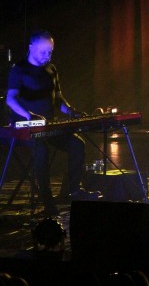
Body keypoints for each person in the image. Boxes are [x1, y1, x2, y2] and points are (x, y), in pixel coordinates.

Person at [5, 30, 101, 217]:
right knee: (41, 150)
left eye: (50, 52)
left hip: (49, 125)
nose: (47, 56)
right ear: (31, 48)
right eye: (43, 52)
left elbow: (58, 99)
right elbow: (10, 99)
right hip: (27, 128)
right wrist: (29, 115)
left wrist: (71, 111)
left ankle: (73, 191)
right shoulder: (19, 70)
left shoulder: (51, 70)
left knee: (77, 144)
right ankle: (47, 200)